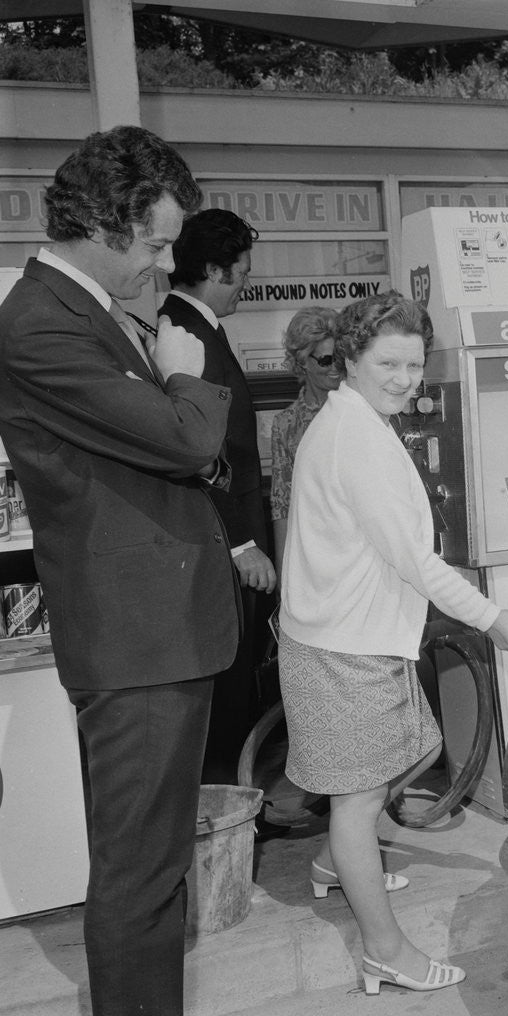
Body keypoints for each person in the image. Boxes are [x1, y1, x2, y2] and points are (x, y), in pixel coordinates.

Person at [0, 126, 239, 1016]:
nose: (168, 262)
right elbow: (184, 440)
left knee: (155, 870)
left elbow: (181, 457)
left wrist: (181, 418)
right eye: (157, 241)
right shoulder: (40, 324)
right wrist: (184, 376)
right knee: (140, 881)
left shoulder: (86, 315)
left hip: (158, 632)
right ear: (100, 225)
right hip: (138, 641)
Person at [277, 290, 508, 995]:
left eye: (415, 365)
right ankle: (385, 950)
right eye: (388, 362)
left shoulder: (357, 420)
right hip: (343, 646)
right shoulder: (356, 437)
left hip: (356, 636)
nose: (404, 378)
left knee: (419, 749)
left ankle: (336, 861)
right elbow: (415, 561)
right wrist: (496, 622)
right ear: (351, 359)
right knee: (358, 803)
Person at [161, 208, 275, 787]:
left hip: (233, 534)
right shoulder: (185, 334)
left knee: (241, 683)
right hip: (227, 542)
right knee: (228, 688)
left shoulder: (196, 325)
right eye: (241, 272)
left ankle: (241, 801)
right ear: (213, 268)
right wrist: (242, 544)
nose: (247, 284)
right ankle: (230, 812)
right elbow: (200, 453)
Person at [269, 305, 343, 577]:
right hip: (316, 555)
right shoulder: (287, 424)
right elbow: (282, 506)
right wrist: (284, 576)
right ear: (301, 362)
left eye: (340, 358)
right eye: (325, 360)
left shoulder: (365, 411)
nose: (336, 368)